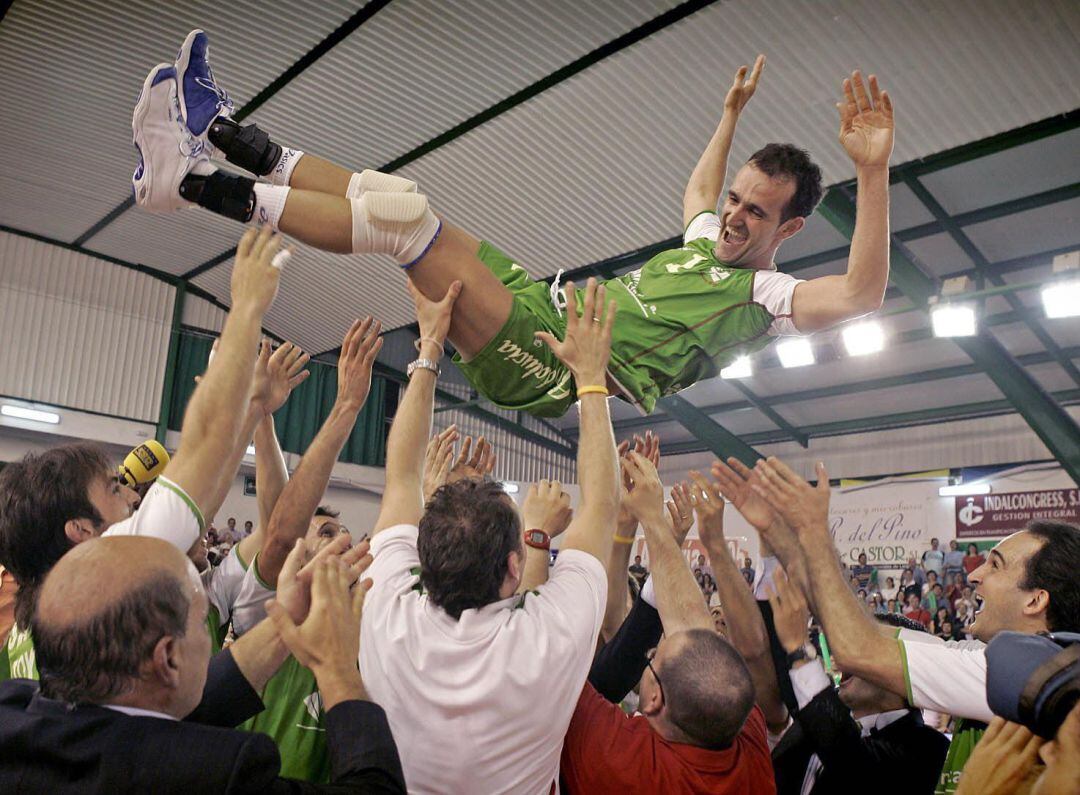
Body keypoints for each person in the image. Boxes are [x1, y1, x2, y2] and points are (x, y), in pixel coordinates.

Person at [138, 33, 894, 419]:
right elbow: (699, 186)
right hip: (540, 303)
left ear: (788, 229)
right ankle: (223, 135)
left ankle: (191, 182)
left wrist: (871, 172)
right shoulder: (707, 239)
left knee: (402, 224)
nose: (732, 216)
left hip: (559, 365)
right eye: (735, 199)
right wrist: (730, 115)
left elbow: (860, 295)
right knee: (389, 192)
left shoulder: (764, 296)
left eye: (755, 212)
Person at [357, 279, 620, 793]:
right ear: (514, 567)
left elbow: (402, 477)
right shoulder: (546, 640)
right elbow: (605, 505)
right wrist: (590, 375)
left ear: (423, 557)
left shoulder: (386, 610)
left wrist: (429, 347)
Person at [0, 227, 285, 679]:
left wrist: (251, 413)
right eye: (113, 489)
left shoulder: (30, 622)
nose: (134, 496)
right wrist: (247, 309)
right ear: (79, 530)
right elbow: (205, 440)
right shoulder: (108, 570)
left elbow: (200, 497)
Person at [745, 456, 1080, 795]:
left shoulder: (1025, 675)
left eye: (995, 565)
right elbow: (859, 628)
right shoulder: (980, 658)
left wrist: (814, 531)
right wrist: (778, 540)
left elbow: (857, 647)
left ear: (1035, 601)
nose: (975, 575)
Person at [0, 535, 405, 793]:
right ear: (168, 658)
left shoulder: (14, 712)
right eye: (199, 620)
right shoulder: (218, 775)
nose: (210, 633)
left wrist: (284, 620)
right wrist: (335, 665)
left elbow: (147, 727)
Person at [559, 453, 776, 793]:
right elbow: (697, 638)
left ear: (654, 698)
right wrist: (661, 532)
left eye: (653, 660)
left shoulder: (625, 762)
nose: (650, 654)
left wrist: (538, 539)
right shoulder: (744, 747)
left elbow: (546, 668)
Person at [769, 569, 949, 795]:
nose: (846, 656)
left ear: (903, 669)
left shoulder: (931, 748)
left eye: (864, 648)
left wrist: (799, 649)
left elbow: (852, 764)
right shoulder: (813, 720)